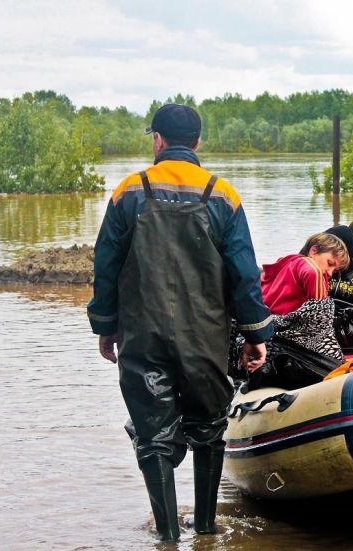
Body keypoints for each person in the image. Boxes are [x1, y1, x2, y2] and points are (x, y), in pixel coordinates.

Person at [87, 104, 273, 542]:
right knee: (209, 430)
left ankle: (167, 536)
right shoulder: (222, 194)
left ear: (157, 140)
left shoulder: (129, 191)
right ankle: (207, 531)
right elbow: (244, 271)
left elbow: (106, 266)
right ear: (198, 142)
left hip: (141, 333)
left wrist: (105, 325)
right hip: (205, 335)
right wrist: (254, 333)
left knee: (153, 434)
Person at [261, 232, 349, 315]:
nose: (330, 273)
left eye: (334, 271)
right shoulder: (314, 270)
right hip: (282, 327)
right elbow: (321, 317)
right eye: (330, 263)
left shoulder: (289, 261)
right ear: (313, 251)